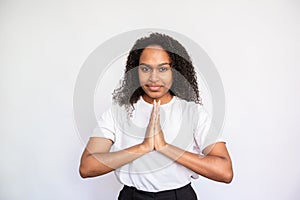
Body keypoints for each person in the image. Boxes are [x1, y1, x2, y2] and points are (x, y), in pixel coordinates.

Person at [79, 33, 233, 200]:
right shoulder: (119, 111)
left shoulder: (192, 112)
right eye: (145, 69)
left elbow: (225, 172)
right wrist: (143, 147)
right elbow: (87, 167)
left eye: (162, 69)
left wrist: (164, 147)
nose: (153, 78)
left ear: (175, 71)